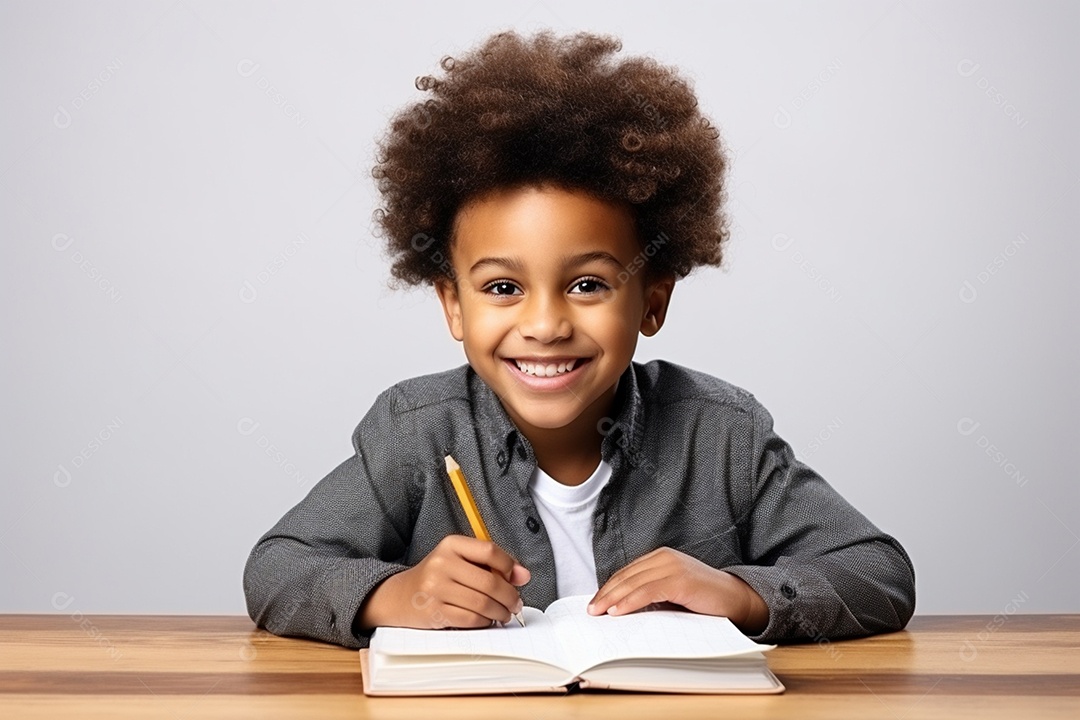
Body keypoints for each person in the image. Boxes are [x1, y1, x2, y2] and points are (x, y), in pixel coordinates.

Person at [243, 29, 915, 649]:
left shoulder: (722, 437)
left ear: (652, 300)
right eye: (503, 288)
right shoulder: (416, 435)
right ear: (453, 305)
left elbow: (879, 572)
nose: (544, 325)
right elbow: (277, 568)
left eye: (588, 285)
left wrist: (741, 594)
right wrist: (394, 594)